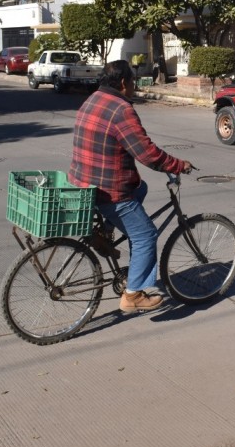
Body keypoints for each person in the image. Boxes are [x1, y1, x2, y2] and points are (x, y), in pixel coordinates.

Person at [68, 60, 192, 313]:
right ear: (124, 83)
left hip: (82, 180)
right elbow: (146, 153)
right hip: (109, 190)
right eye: (133, 82)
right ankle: (133, 295)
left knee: (141, 187)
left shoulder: (93, 99)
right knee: (146, 235)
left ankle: (104, 233)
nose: (134, 87)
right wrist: (177, 165)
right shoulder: (121, 109)